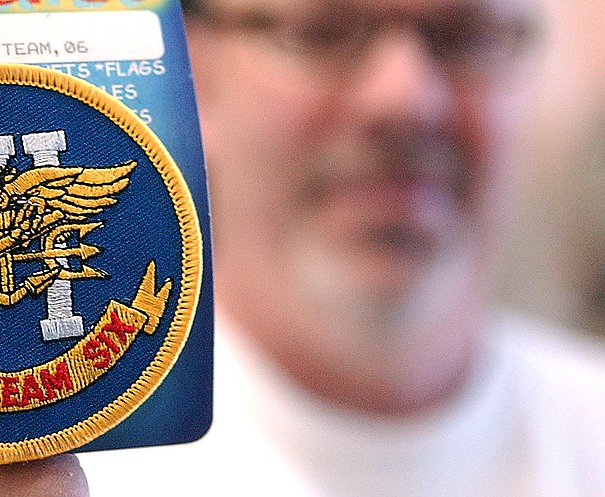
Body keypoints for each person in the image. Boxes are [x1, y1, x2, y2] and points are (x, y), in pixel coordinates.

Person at [80, 0, 605, 495]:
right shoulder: (68, 469)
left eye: (466, 37)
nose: (404, 98)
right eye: (321, 34)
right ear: (189, 72)